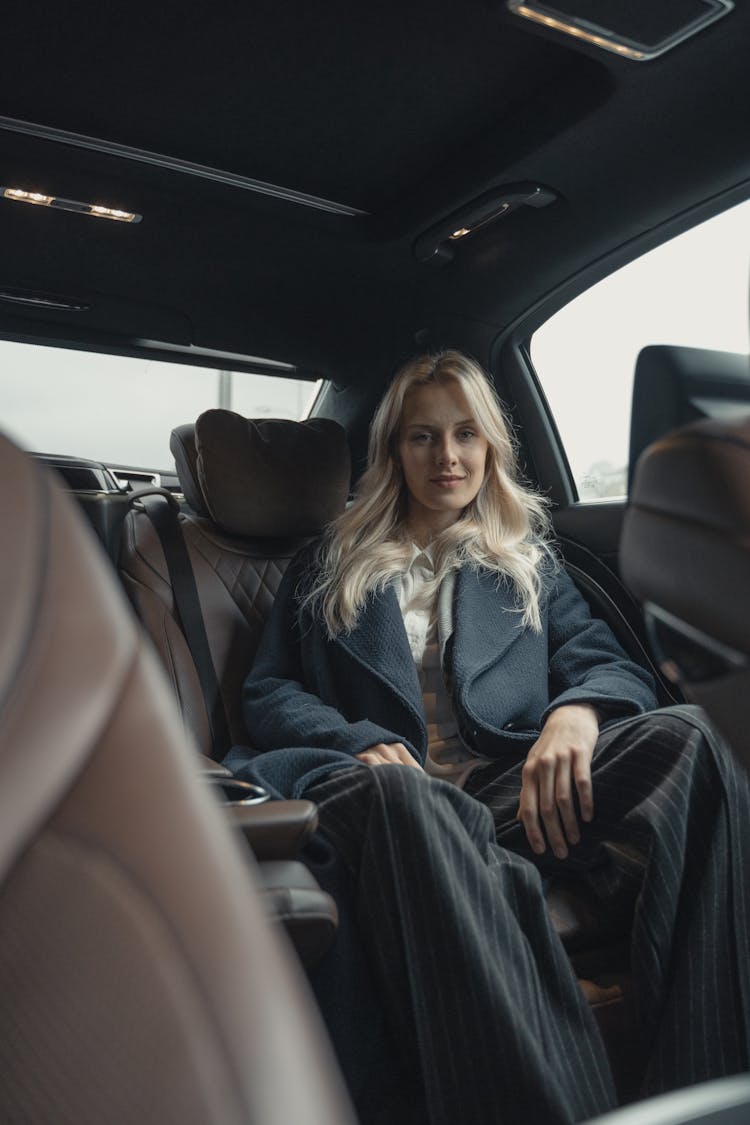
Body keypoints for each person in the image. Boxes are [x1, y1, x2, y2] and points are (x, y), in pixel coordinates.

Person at [225, 351, 750, 1125]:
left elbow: (603, 661)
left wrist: (580, 712)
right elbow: (267, 691)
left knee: (698, 737)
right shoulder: (326, 563)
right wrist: (352, 738)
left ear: (491, 447)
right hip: (388, 794)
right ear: (393, 452)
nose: (447, 456)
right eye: (423, 437)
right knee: (410, 798)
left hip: (508, 795)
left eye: (466, 434)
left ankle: (703, 1087)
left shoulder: (527, 563)